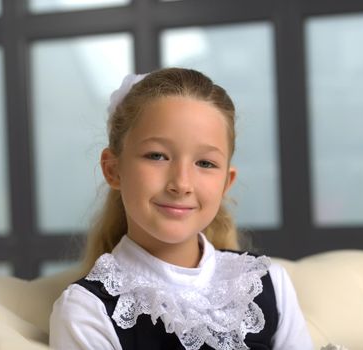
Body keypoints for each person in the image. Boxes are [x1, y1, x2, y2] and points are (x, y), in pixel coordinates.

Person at [49, 68, 314, 350]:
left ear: (226, 182)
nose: (181, 183)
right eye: (157, 156)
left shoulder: (268, 283)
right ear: (113, 169)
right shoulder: (87, 311)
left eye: (205, 163)